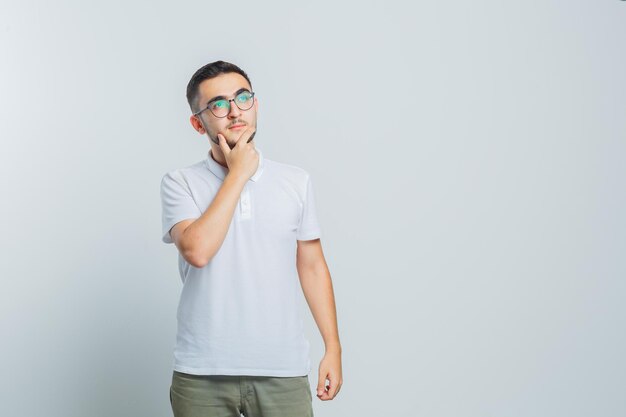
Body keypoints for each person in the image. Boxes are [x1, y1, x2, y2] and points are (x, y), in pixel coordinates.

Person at [160, 60, 343, 417]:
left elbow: (313, 267)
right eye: (219, 104)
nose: (234, 112)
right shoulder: (179, 183)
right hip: (202, 372)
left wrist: (332, 347)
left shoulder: (295, 181)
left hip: (282, 368)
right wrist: (238, 175)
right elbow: (197, 251)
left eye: (243, 98)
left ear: (256, 105)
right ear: (198, 123)